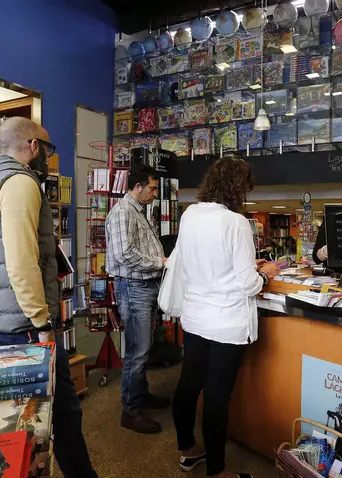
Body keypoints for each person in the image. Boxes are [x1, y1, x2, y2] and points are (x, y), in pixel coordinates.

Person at [0, 117, 97, 478]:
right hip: (23, 324)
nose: (48, 155)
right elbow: (20, 260)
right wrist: (41, 321)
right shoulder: (19, 182)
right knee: (61, 415)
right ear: (34, 147)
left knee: (11, 420)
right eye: (47, 148)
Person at [171, 157, 280, 478]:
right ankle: (218, 471)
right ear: (237, 188)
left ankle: (188, 449)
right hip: (226, 323)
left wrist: (244, 265)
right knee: (217, 397)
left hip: (195, 317)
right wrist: (266, 273)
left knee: (189, 385)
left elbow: (197, 261)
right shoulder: (236, 222)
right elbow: (247, 284)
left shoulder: (190, 214)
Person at [105, 164, 169, 434]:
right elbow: (124, 254)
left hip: (143, 286)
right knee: (137, 350)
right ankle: (130, 411)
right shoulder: (123, 212)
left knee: (143, 346)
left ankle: (140, 395)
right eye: (152, 188)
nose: (155, 193)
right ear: (138, 186)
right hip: (135, 287)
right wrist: (160, 262)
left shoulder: (136, 211)